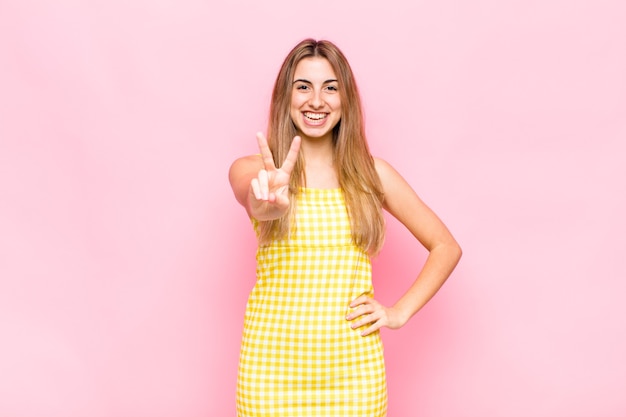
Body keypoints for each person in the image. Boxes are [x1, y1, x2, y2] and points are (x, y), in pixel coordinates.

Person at [228, 38, 462, 417]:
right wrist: (266, 202)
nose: (316, 101)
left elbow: (445, 246)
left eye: (330, 88)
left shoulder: (373, 175)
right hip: (269, 370)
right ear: (284, 97)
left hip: (354, 374)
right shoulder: (254, 170)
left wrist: (398, 312)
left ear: (345, 99)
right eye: (303, 86)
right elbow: (254, 198)